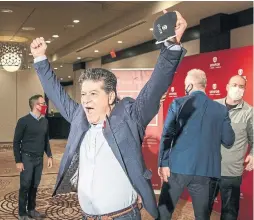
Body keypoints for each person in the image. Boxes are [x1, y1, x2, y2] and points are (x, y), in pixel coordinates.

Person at [30, 11, 187, 220]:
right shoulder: (80, 117)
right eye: (84, 94)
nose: (86, 100)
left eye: (93, 94)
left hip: (122, 216)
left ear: (111, 96)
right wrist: (40, 58)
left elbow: (156, 85)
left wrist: (170, 44)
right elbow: (55, 93)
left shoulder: (130, 118)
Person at [157, 69, 235, 220]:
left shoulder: (178, 103)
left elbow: (167, 135)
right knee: (202, 217)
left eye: (186, 84)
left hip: (176, 168)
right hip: (206, 171)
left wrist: (163, 163)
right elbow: (229, 141)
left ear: (190, 85)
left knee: (164, 215)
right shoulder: (221, 109)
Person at [209, 75, 253, 220]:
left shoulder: (249, 112)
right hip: (209, 169)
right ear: (227, 87)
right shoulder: (213, 106)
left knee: (229, 213)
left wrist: (253, 154)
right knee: (203, 210)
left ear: (244, 90)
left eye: (241, 87)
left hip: (232, 172)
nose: (237, 89)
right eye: (234, 85)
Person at [13, 95, 53, 220]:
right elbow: (16, 142)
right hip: (27, 158)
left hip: (39, 159)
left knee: (35, 185)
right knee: (25, 185)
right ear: (36, 105)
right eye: (42, 104)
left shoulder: (44, 121)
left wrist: (50, 155)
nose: (45, 106)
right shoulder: (23, 121)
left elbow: (45, 140)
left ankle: (31, 209)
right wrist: (18, 161)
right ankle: (22, 213)